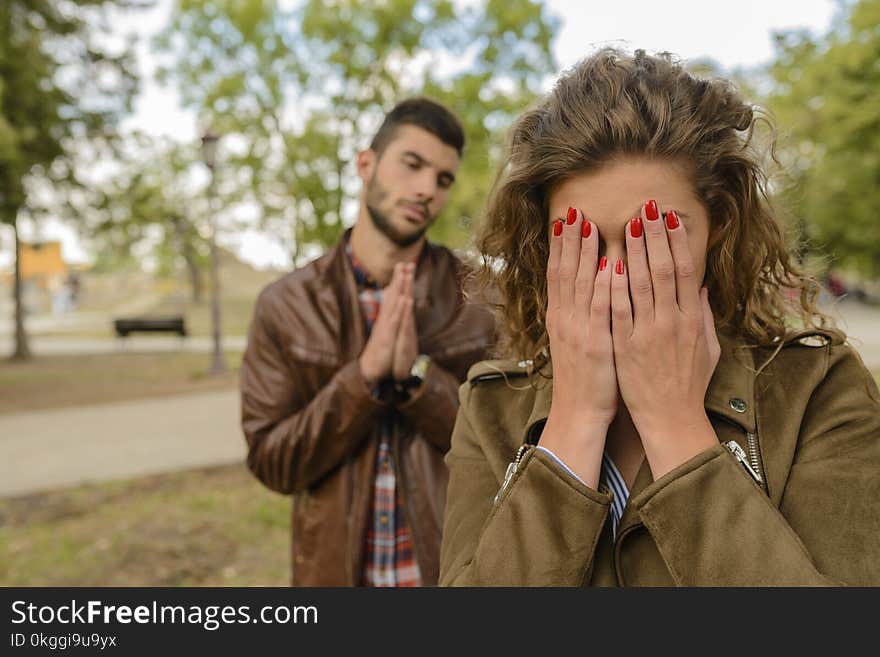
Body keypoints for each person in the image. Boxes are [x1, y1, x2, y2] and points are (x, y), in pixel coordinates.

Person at [439, 49, 880, 586]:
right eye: (585, 244)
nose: (619, 279)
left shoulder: (818, 392)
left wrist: (676, 427)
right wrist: (573, 420)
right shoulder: (490, 409)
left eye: (651, 239)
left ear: (718, 226)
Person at [241, 97, 496, 586]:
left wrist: (418, 376)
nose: (426, 189)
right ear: (366, 164)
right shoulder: (285, 305)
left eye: (443, 179)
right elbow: (274, 464)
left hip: (452, 578)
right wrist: (362, 379)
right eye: (413, 164)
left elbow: (506, 452)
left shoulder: (482, 298)